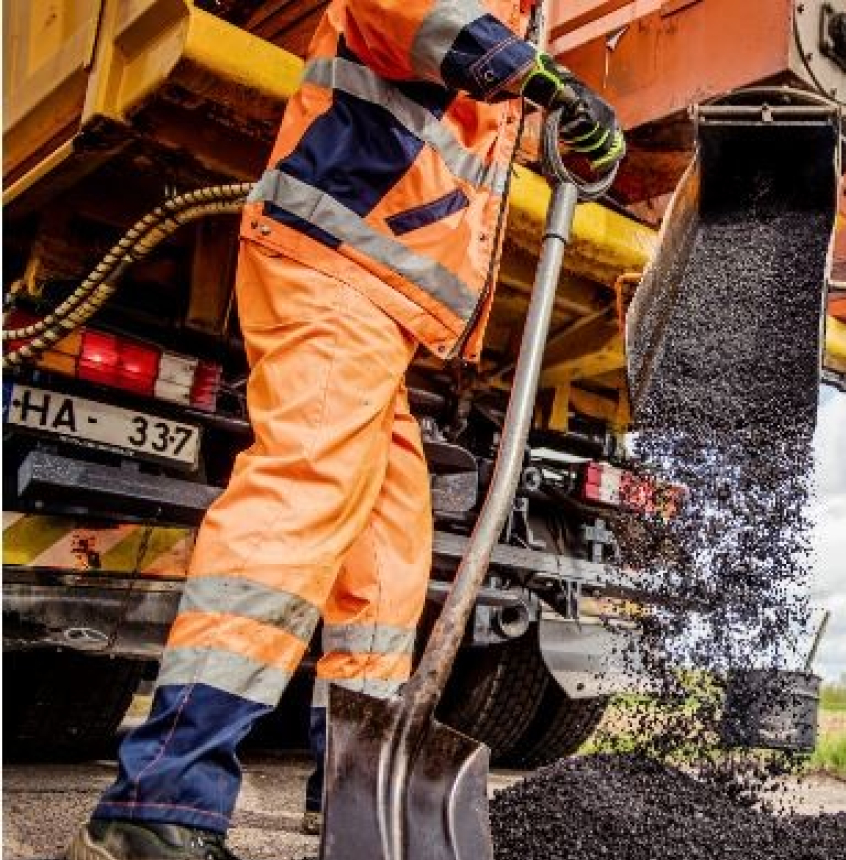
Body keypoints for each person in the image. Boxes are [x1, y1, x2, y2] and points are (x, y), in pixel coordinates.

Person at [66, 1, 624, 858]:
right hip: (332, 268)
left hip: (382, 308)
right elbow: (404, 13)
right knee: (303, 495)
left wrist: (555, 111)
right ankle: (160, 800)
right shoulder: (483, 27)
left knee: (389, 553)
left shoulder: (515, 30)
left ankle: (355, 784)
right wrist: (541, 80)